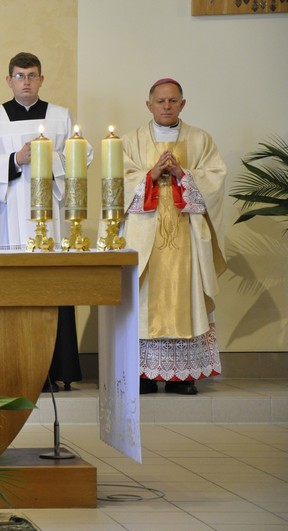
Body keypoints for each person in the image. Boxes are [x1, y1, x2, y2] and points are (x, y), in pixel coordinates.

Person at [0, 52, 90, 391]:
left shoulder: (61, 116)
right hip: (7, 220)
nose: (26, 81)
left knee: (52, 291)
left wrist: (45, 157)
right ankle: (13, 371)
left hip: (50, 221)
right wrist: (15, 159)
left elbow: (81, 155)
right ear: (8, 80)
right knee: (11, 295)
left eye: (32, 75)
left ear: (41, 79)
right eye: (20, 75)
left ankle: (55, 371)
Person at [122, 78, 227, 395]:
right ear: (149, 105)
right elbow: (118, 181)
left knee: (187, 297)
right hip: (144, 237)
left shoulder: (200, 139)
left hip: (186, 234)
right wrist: (151, 175)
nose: (166, 106)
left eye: (172, 101)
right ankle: (143, 374)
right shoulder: (131, 141)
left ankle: (182, 376)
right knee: (142, 299)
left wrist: (184, 175)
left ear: (183, 104)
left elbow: (215, 181)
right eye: (160, 101)